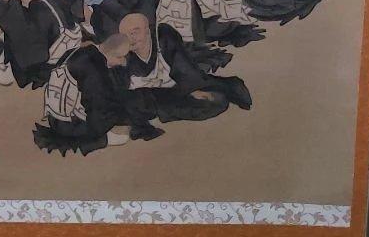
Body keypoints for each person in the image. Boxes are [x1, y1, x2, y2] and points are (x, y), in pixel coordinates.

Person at [34, 32, 160, 155]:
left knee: (122, 100)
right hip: (68, 124)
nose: (122, 62)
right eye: (121, 57)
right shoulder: (92, 67)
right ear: (112, 53)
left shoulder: (81, 52)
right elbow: (95, 105)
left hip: (56, 116)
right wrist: (108, 126)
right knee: (123, 116)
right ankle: (104, 139)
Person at [118, 13, 251, 126]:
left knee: (214, 101)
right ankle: (164, 110)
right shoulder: (122, 56)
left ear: (147, 31)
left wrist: (193, 89)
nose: (130, 39)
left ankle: (227, 87)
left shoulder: (163, 39)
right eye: (125, 35)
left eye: (134, 33)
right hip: (155, 96)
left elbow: (184, 69)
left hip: (178, 88)